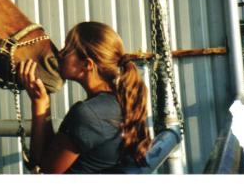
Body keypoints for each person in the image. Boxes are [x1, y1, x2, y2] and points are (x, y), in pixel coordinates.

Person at [17, 21, 152, 174]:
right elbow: (49, 156)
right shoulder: (121, 100)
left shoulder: (87, 114)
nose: (59, 53)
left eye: (67, 49)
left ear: (87, 64)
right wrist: (43, 102)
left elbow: (43, 170)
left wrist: (38, 104)